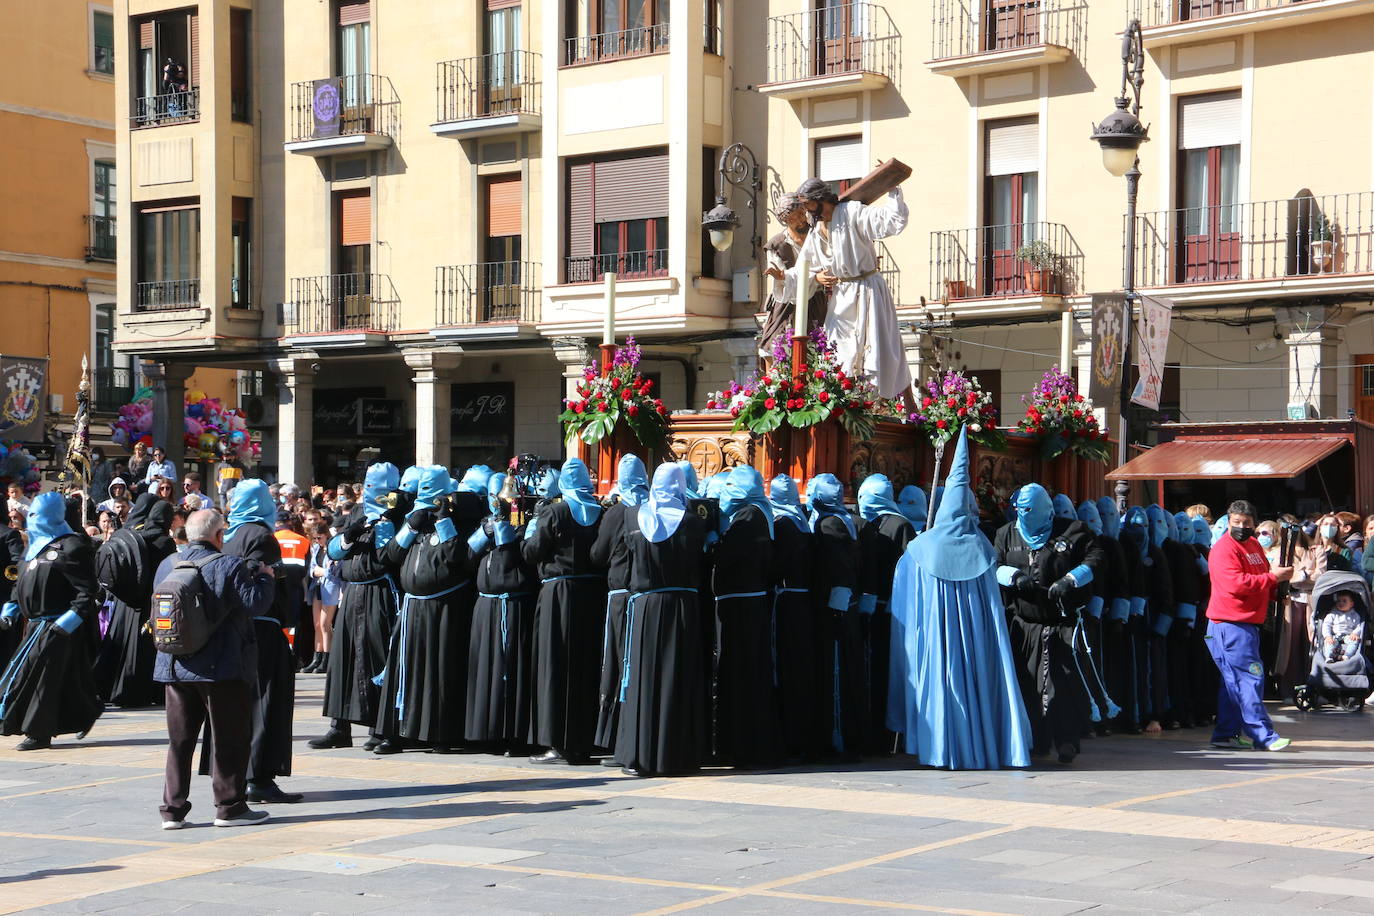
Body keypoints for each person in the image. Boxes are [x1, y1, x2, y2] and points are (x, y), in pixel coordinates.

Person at [889, 427, 1031, 769]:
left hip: (934, 640)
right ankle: (984, 743)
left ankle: (940, 747)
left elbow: (905, 606)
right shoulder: (982, 545)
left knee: (942, 682)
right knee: (979, 683)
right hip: (977, 646)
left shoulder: (919, 549)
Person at [154, 508, 275, 829]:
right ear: (219, 535)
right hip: (221, 668)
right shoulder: (229, 565)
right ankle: (229, 807)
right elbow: (257, 603)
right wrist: (265, 577)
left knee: (179, 742)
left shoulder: (167, 565)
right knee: (228, 739)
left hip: (174, 666)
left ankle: (172, 810)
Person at [994, 483, 1104, 764]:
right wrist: (1013, 576)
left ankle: (1066, 740)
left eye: (1031, 509)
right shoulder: (1006, 533)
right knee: (1027, 684)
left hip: (1062, 624)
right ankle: (1036, 741)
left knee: (1062, 684)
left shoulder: (1073, 530)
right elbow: (993, 563)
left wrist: (1071, 579)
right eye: (1021, 509)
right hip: (1024, 624)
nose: (1025, 514)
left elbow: (1096, 558)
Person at [615, 463, 709, 777]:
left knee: (641, 677)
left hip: (645, 607)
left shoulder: (632, 517)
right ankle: (677, 755)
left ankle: (640, 754)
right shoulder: (694, 523)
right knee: (677, 678)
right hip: (682, 608)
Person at [376, 466, 474, 754]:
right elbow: (390, 556)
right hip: (412, 608)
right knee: (403, 670)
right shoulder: (414, 522)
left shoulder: (459, 521)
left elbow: (457, 557)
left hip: (443, 608)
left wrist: (444, 519)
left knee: (439, 669)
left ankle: (440, 732)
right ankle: (395, 731)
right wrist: (410, 527)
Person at [310, 463, 405, 752]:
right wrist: (349, 534)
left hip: (380, 592)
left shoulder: (399, 514)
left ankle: (382, 727)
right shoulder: (359, 513)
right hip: (353, 593)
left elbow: (388, 557)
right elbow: (334, 550)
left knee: (378, 659)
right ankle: (339, 726)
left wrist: (387, 526)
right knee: (343, 659)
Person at [0, 492, 102, 750]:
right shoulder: (33, 547)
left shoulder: (71, 546)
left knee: (44, 676)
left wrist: (68, 622)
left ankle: (39, 732)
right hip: (34, 625)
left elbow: (87, 591)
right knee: (29, 673)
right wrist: (11, 606)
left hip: (58, 625)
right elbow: (21, 582)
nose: (32, 518)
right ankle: (86, 710)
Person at [796, 177, 912, 402]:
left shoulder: (852, 212)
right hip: (842, 297)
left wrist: (892, 191)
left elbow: (890, 221)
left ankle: (885, 404)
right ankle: (847, 404)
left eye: (808, 204)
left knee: (879, 349)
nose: (806, 211)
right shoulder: (817, 229)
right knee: (839, 353)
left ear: (821, 200)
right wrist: (817, 277)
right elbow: (804, 265)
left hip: (868, 290)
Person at [222, 481, 301, 803]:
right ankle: (261, 778)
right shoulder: (261, 536)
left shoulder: (228, 536)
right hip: (263, 632)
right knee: (267, 702)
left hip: (233, 632)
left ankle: (238, 776)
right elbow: (262, 582)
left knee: (239, 704)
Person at [523, 457, 605, 765]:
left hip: (559, 594)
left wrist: (530, 530)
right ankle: (586, 738)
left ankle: (557, 742)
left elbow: (532, 553)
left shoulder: (555, 511)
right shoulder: (601, 512)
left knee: (555, 665)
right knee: (585, 666)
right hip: (592, 594)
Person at [1206, 499, 1293, 751]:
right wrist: (1272, 578)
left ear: (1253, 523)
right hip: (1229, 624)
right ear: (1229, 521)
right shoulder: (1223, 549)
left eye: (1246, 522)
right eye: (1236, 522)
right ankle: (1263, 735)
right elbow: (1236, 583)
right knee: (1249, 679)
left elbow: (1261, 577)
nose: (1241, 527)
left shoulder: (1253, 545)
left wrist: (1275, 590)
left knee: (1233, 682)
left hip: (1247, 624)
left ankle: (1226, 733)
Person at [712, 465, 783, 769]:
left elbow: (727, 557)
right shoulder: (760, 512)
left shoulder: (749, 516)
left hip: (742, 605)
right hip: (748, 602)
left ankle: (745, 746)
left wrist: (715, 540)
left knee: (742, 676)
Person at [465, 471, 536, 752]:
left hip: (514, 605)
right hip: (486, 606)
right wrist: (486, 531)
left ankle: (513, 734)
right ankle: (486, 732)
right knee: (485, 670)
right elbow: (467, 555)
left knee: (512, 670)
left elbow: (516, 553)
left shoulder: (525, 523)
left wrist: (507, 525)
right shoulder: (485, 525)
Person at [590, 454, 650, 764]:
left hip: (619, 597)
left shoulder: (614, 513)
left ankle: (614, 740)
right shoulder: (652, 507)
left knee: (615, 666)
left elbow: (598, 555)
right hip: (645, 597)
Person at [95, 492, 176, 708]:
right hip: (149, 602)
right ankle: (143, 690)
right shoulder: (163, 541)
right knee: (144, 650)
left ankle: (108, 688)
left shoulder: (125, 533)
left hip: (123, 601)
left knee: (118, 644)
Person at [856, 473, 917, 754]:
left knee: (887, 671)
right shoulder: (867, 523)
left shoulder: (900, 525)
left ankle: (888, 733)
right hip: (869, 606)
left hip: (891, 609)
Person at [807, 472, 863, 758]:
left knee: (835, 672)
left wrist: (836, 604)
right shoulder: (842, 520)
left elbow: (839, 567)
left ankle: (837, 735)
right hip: (841, 606)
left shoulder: (829, 523)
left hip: (834, 610)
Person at [768, 474, 818, 760]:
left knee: (785, 667)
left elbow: (777, 565)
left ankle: (790, 736)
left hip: (787, 603)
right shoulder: (802, 520)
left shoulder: (782, 523)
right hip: (803, 601)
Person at [758, 193, 828, 358]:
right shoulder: (776, 245)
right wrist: (814, 278)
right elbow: (784, 282)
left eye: (803, 213)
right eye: (796, 216)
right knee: (775, 345)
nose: (802, 219)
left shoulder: (816, 236)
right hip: (787, 304)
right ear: (786, 219)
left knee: (818, 348)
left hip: (816, 301)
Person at [303, 522, 340, 674]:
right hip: (317, 587)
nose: (317, 541)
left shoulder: (333, 549)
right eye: (315, 538)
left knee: (325, 624)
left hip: (331, 588)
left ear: (326, 535)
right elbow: (312, 569)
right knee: (317, 624)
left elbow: (335, 571)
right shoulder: (317, 548)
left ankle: (327, 658)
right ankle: (316, 658)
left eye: (319, 537)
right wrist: (319, 571)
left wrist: (322, 571)